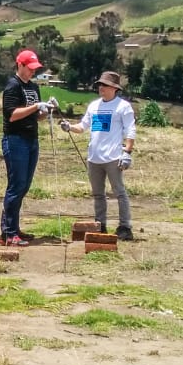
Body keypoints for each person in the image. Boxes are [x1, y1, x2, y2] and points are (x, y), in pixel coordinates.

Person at [60, 71, 136, 241]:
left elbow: (130, 130)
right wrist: (69, 127)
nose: (101, 88)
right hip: (94, 157)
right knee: (98, 194)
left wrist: (127, 152)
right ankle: (100, 224)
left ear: (114, 88)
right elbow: (83, 126)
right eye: (100, 85)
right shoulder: (94, 106)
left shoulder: (123, 107)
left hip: (113, 157)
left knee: (119, 192)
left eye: (105, 85)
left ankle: (125, 226)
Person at [0, 49, 57, 247]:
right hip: (15, 140)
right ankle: (8, 233)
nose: (33, 72)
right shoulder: (12, 86)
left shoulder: (33, 87)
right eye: (30, 68)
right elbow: (12, 115)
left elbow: (35, 117)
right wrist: (35, 106)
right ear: (20, 65)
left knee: (24, 186)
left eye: (35, 69)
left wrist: (46, 110)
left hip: (31, 139)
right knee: (16, 186)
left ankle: (13, 228)